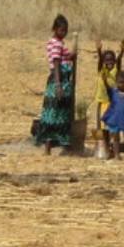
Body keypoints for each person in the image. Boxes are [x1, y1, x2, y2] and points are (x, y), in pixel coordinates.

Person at [35, 14, 77, 155]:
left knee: (59, 113)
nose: (63, 33)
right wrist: (58, 85)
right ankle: (51, 146)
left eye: (65, 31)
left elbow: (63, 58)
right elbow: (57, 63)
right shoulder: (56, 43)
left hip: (63, 79)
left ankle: (60, 146)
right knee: (56, 114)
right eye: (61, 30)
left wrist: (71, 56)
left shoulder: (58, 42)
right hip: (59, 80)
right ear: (54, 29)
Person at [102, 70, 124, 160]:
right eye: (119, 82)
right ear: (116, 82)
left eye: (123, 83)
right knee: (116, 138)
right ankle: (116, 155)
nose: (121, 85)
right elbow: (107, 88)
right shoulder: (113, 93)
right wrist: (105, 81)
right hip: (115, 119)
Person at [93, 38, 124, 129]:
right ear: (104, 62)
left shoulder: (115, 71)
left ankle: (111, 141)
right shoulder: (101, 71)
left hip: (112, 102)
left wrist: (122, 51)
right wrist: (99, 51)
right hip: (102, 100)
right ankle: (102, 141)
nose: (109, 62)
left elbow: (119, 60)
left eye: (112, 60)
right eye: (107, 60)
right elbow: (100, 61)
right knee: (101, 124)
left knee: (111, 124)